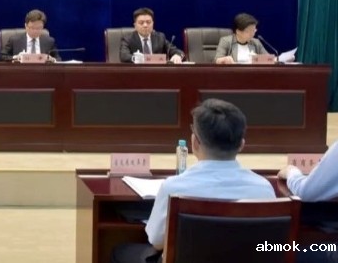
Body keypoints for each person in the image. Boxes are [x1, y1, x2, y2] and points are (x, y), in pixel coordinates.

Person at [111, 99, 275, 263]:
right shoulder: (264, 189)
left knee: (121, 251)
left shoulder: (174, 188)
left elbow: (157, 241)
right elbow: (269, 246)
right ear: (241, 145)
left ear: (194, 143)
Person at [119, 7, 183, 64]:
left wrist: (177, 55)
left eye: (148, 22)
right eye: (141, 23)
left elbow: (177, 51)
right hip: (137, 71)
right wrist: (142, 59)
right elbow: (124, 56)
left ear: (153, 24)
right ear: (135, 26)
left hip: (156, 71)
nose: (145, 25)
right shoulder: (128, 39)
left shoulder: (160, 37)